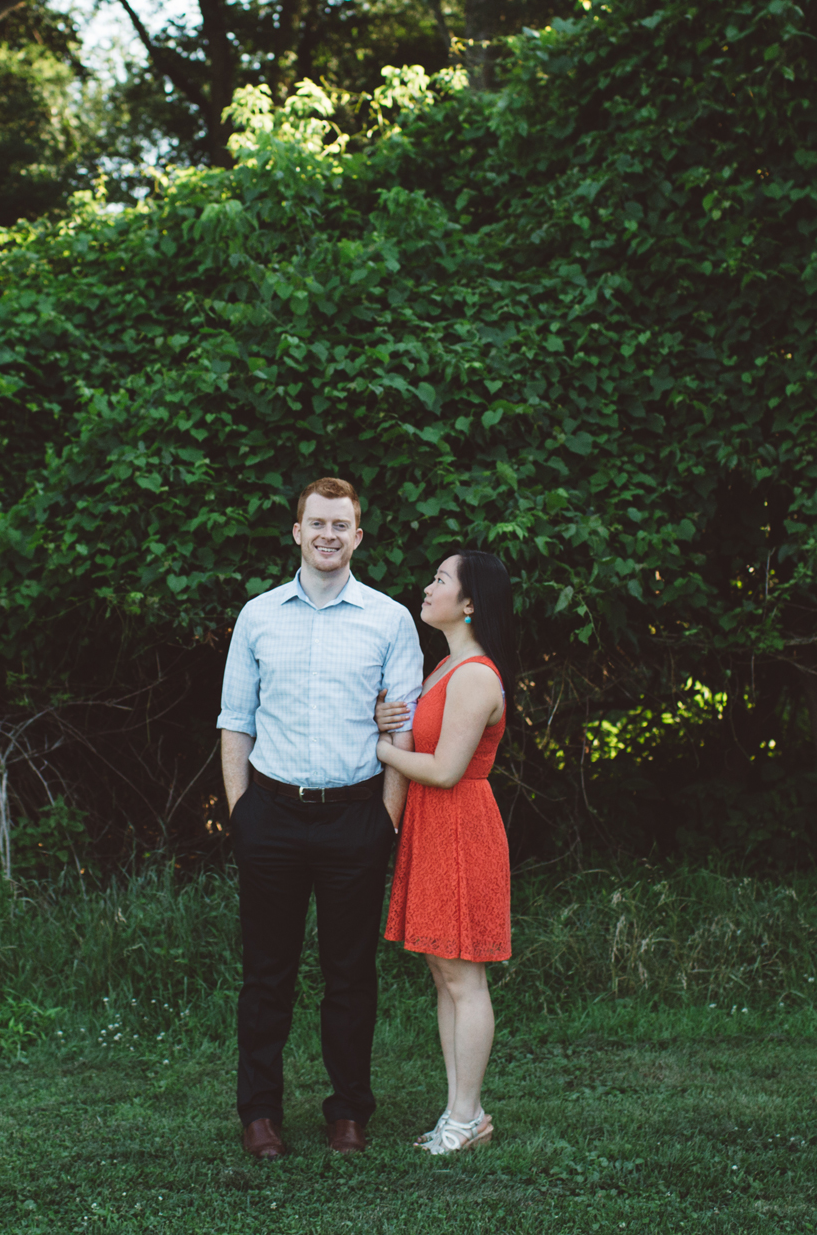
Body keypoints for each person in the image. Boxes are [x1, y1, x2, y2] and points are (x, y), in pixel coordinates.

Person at [217, 477, 422, 1159]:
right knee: (266, 972)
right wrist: (241, 812)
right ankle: (259, 1114)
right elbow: (235, 721)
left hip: (355, 817)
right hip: (270, 815)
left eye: (342, 524)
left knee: (350, 973)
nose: (329, 534)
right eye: (317, 522)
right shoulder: (258, 615)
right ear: (297, 532)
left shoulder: (390, 619)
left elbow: (406, 730)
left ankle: (348, 1112)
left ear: (357, 537)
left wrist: (386, 821)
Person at [372, 549, 516, 1156]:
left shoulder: (477, 674)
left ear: (470, 603)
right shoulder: (443, 668)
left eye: (440, 580)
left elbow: (445, 768)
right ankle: (462, 1111)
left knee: (464, 975)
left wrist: (379, 749)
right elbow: (418, 732)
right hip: (434, 829)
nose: (426, 588)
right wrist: (387, 719)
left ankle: (466, 1116)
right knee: (443, 971)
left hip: (461, 827)